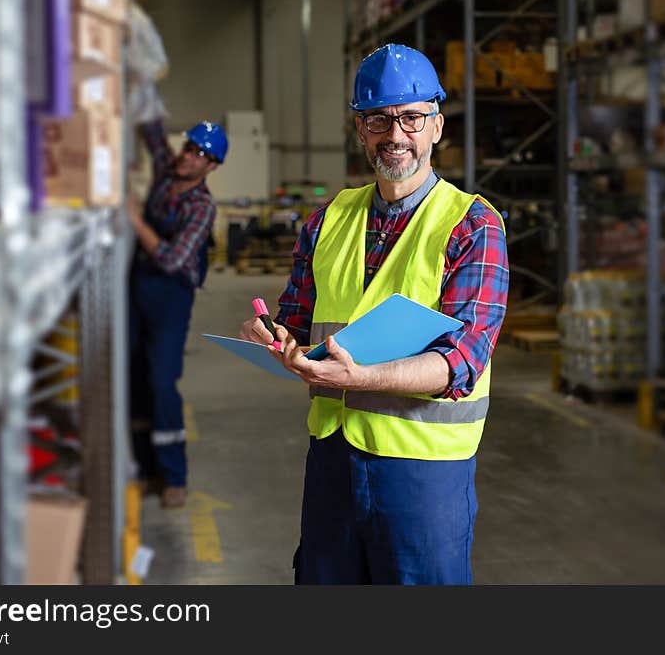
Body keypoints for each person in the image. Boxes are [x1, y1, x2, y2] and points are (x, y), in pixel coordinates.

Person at [239, 43, 509, 584]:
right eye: (379, 119)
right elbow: (294, 320)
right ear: (360, 130)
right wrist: (268, 335)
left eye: (411, 118)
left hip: (423, 469)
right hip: (333, 459)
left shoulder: (472, 226)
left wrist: (360, 377)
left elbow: (462, 363)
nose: (396, 135)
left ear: (436, 125)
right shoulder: (325, 222)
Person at [128, 116, 228, 508]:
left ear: (212, 166)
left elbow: (171, 259)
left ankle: (174, 476)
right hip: (138, 287)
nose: (189, 157)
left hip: (170, 296)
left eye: (200, 154)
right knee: (133, 378)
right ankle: (145, 469)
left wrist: (135, 220)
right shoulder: (167, 174)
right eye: (189, 147)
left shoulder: (202, 208)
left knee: (161, 382)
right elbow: (152, 131)